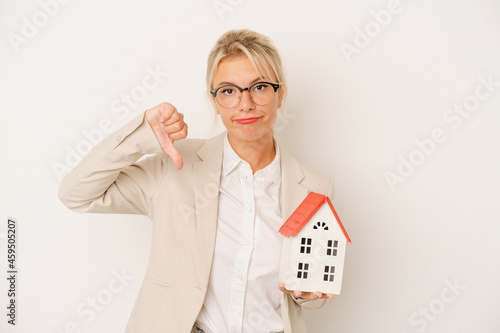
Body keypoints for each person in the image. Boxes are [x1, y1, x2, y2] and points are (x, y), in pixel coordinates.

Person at [59, 29, 335, 333]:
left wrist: (309, 295)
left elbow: (310, 289)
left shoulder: (313, 188)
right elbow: (76, 194)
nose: (245, 103)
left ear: (279, 94)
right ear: (215, 101)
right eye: (229, 91)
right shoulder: (175, 166)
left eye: (259, 87)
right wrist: (140, 138)